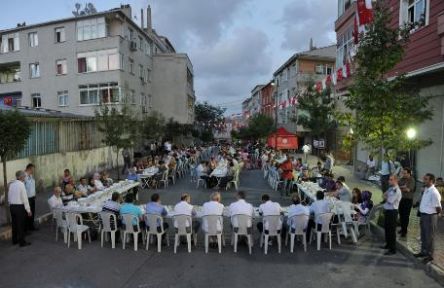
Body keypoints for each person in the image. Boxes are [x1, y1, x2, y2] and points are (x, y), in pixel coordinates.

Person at [414, 173, 442, 263]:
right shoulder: (426, 189)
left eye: (426, 179)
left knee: (429, 236)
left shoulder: (434, 192)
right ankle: (423, 252)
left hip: (430, 217)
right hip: (423, 215)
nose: (424, 180)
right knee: (423, 235)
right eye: (424, 179)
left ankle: (430, 255)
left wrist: (433, 215)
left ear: (431, 181)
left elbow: (438, 208)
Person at [8, 170, 32, 247]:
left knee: (14, 224)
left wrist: (10, 204)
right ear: (21, 177)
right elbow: (25, 198)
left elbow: (9, 196)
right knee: (20, 225)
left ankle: (14, 240)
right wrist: (28, 210)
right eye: (24, 176)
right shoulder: (21, 185)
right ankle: (22, 242)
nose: (25, 177)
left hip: (12, 206)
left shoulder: (11, 184)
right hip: (19, 207)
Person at [381, 175, 402, 255]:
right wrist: (385, 196)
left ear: (396, 181)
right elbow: (383, 195)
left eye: (391, 180)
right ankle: (388, 244)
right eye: (389, 179)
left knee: (391, 231)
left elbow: (390, 200)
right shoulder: (390, 188)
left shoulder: (396, 190)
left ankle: (392, 249)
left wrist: (386, 196)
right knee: (387, 229)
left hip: (392, 212)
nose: (389, 181)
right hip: (387, 211)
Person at [398, 168, 416, 238]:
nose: (403, 174)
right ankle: (402, 228)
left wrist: (401, 188)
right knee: (401, 215)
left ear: (409, 173)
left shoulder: (412, 180)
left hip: (408, 200)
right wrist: (403, 187)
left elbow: (408, 190)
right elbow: (396, 186)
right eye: (403, 173)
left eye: (405, 173)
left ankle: (404, 231)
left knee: (406, 216)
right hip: (401, 199)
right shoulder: (402, 179)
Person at [24, 163, 37, 231]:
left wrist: (35, 194)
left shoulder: (31, 176)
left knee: (32, 212)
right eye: (33, 169)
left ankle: (31, 226)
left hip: (32, 197)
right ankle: (26, 228)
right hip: (27, 198)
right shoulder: (24, 176)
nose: (33, 170)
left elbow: (32, 186)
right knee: (27, 214)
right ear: (29, 168)